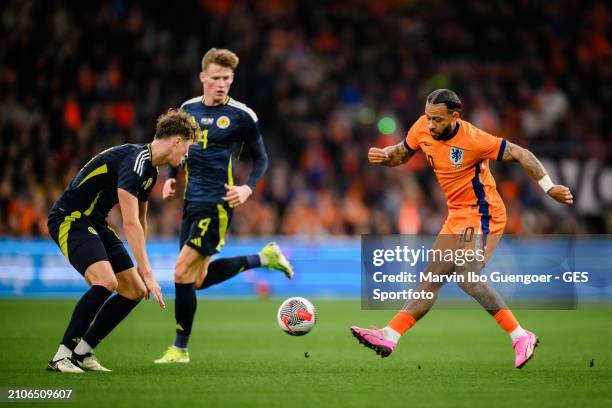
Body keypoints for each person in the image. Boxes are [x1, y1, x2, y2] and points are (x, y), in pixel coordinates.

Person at [351, 89, 573, 368]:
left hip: (484, 214)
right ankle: (390, 334)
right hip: (456, 215)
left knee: (466, 277)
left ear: (455, 117)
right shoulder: (422, 126)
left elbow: (520, 153)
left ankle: (520, 335)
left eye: (438, 120)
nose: (431, 125)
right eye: (428, 117)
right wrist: (386, 155)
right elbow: (402, 154)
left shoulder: (474, 139)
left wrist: (549, 187)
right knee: (430, 279)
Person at [154, 48, 293, 364]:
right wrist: (173, 176)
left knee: (180, 272)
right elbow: (179, 146)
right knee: (197, 279)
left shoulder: (243, 115)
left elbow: (262, 158)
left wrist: (247, 187)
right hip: (191, 201)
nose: (221, 84)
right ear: (203, 77)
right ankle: (264, 257)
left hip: (217, 203)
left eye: (227, 79)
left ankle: (180, 349)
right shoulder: (187, 110)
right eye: (215, 78)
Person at [46, 109, 198, 372]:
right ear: (177, 141)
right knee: (106, 281)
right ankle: (61, 356)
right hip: (70, 218)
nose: (185, 156)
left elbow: (141, 220)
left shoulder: (151, 171)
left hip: (95, 222)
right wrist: (148, 272)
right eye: (186, 149)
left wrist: (142, 267)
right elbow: (129, 223)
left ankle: (83, 352)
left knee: (134, 290)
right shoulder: (136, 161)